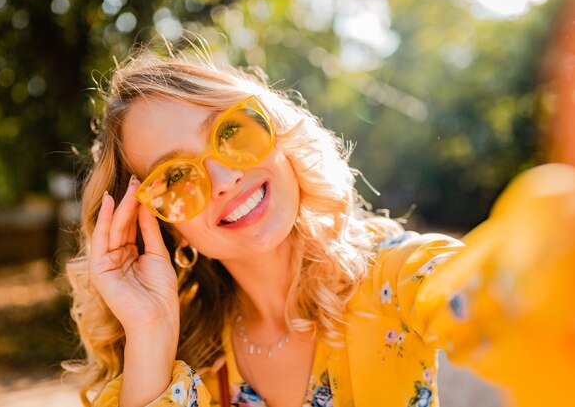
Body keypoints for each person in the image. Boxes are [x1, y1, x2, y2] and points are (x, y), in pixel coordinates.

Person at [65, 41, 575, 407]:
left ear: (278, 132)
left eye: (232, 131)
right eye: (175, 177)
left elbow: (501, 292)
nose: (223, 178)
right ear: (161, 227)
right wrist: (151, 331)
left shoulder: (392, 275)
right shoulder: (184, 358)